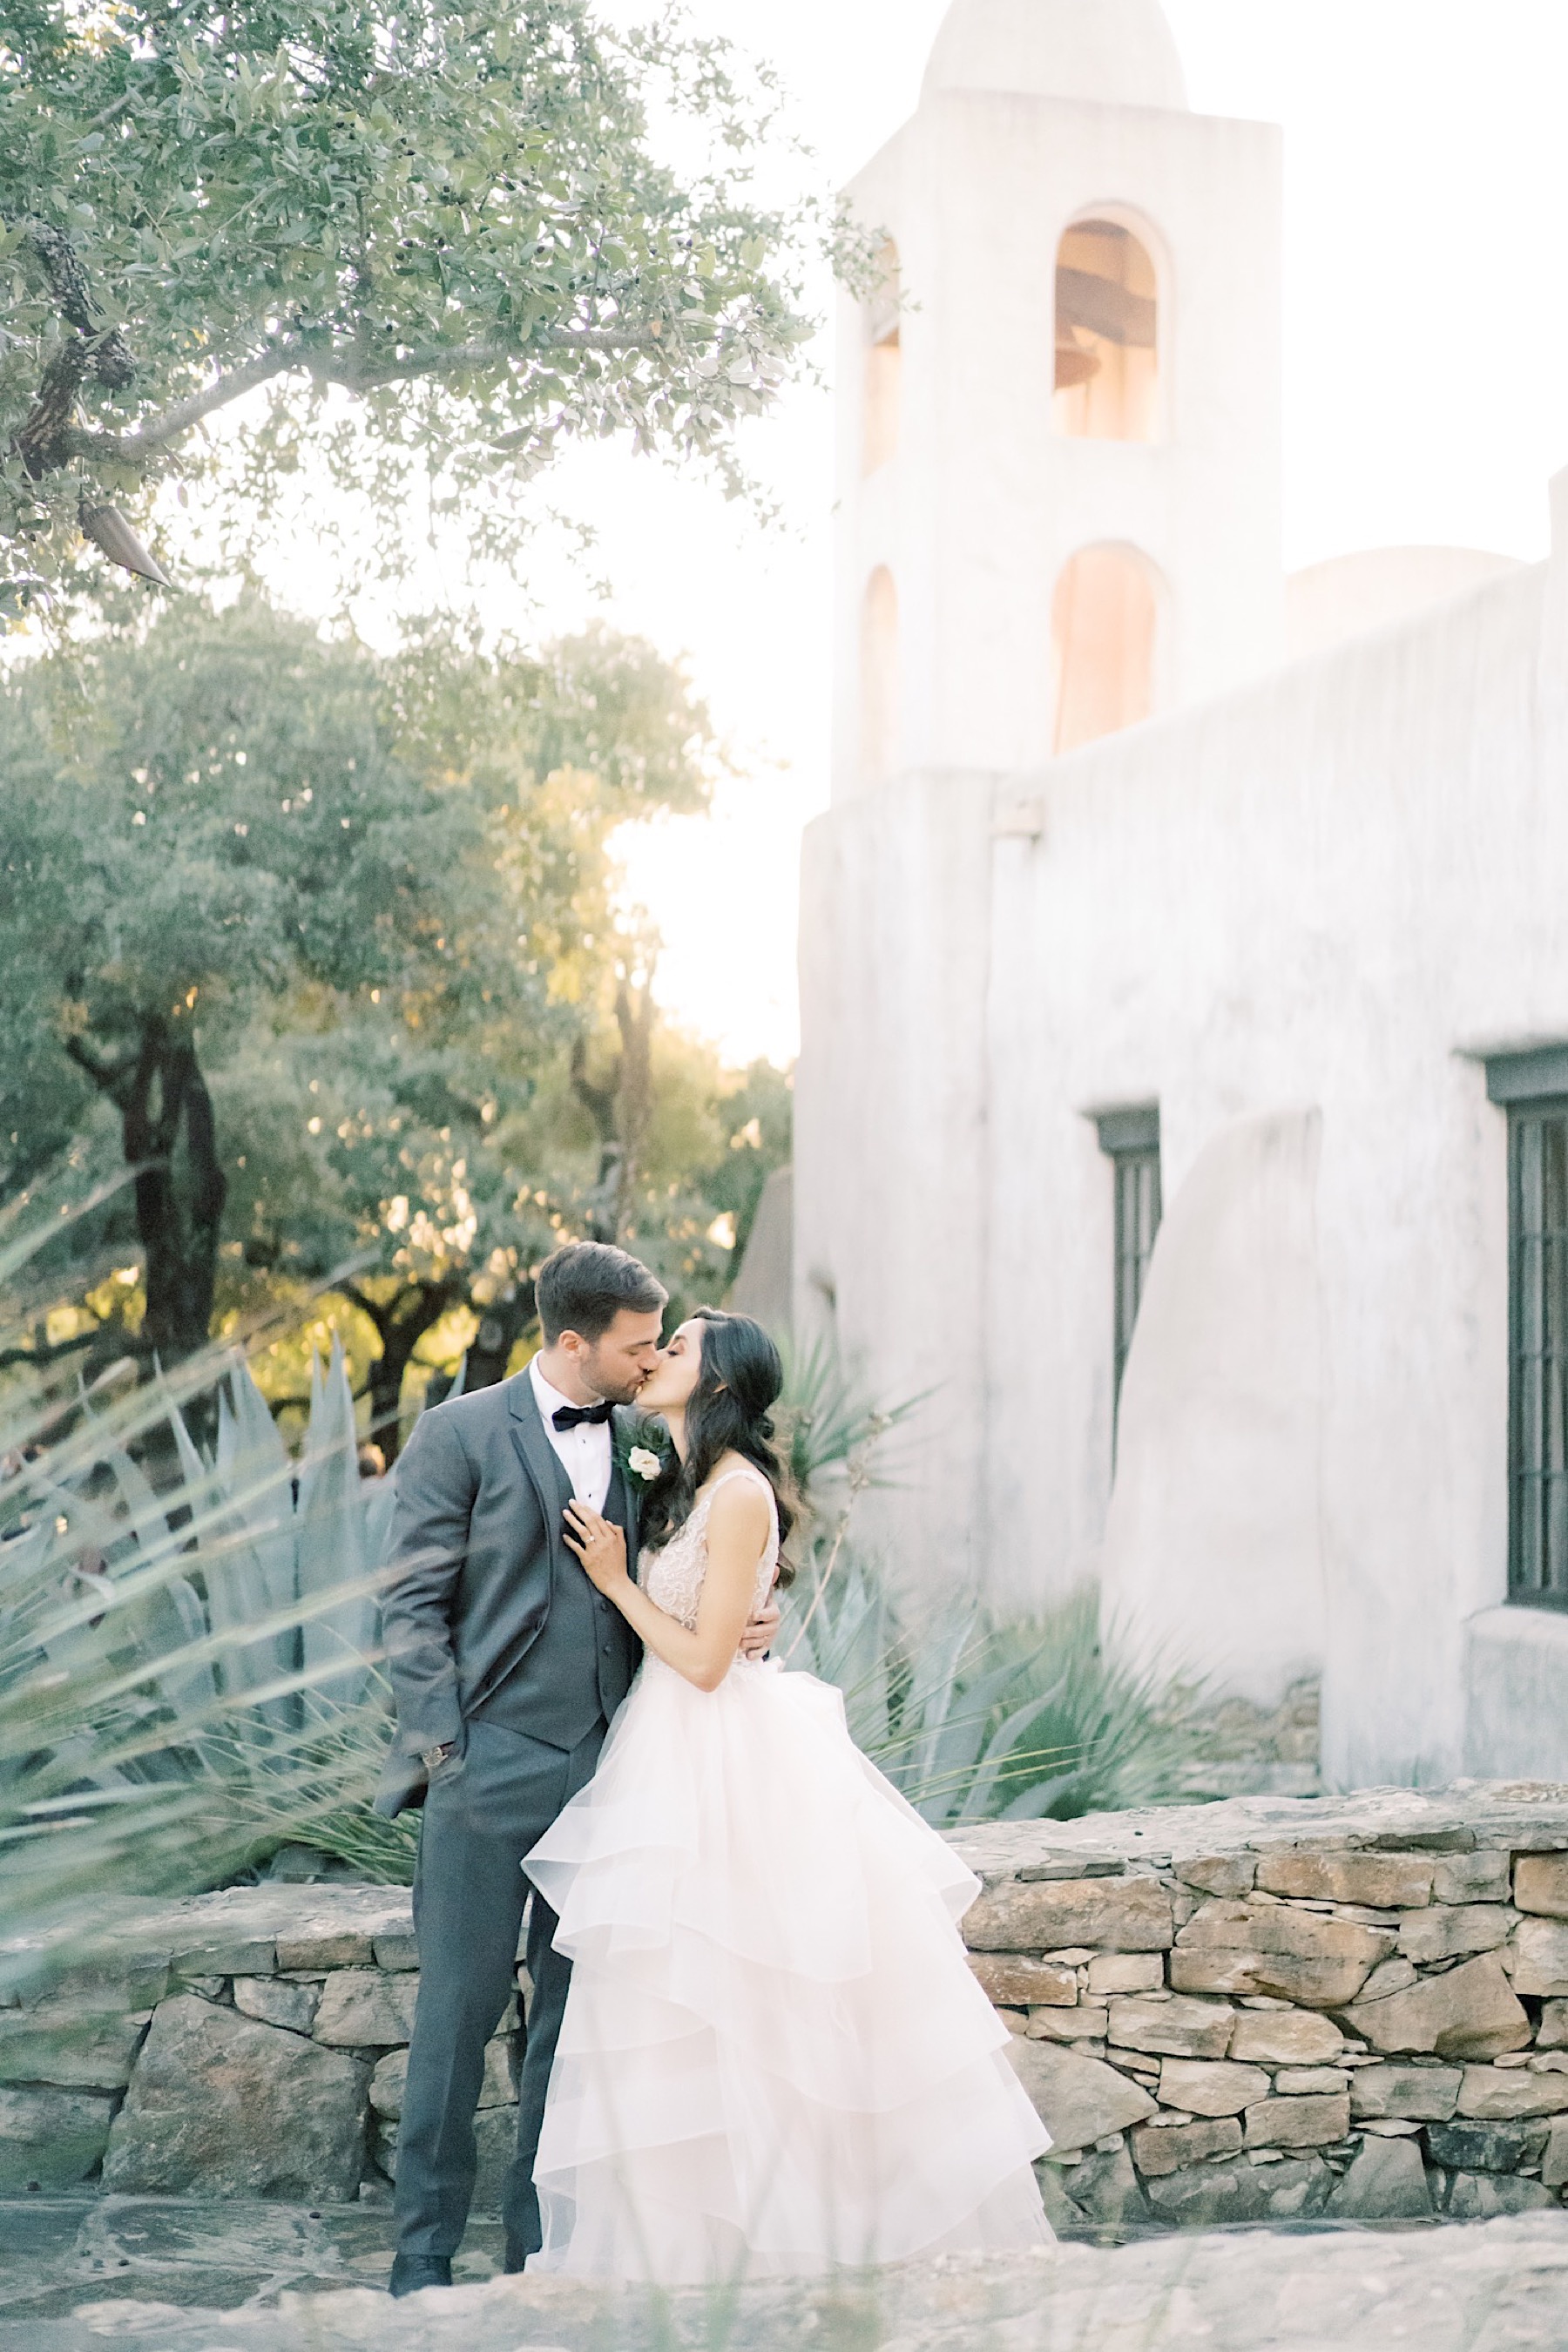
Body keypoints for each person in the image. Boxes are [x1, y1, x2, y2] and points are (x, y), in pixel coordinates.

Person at [523, 1308, 1051, 2281]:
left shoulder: (738, 1495)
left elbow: (709, 1665)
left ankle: (785, 2251)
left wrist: (615, 1583)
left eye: (676, 1347)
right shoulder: (682, 1481)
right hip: (668, 1751)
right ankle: (686, 2253)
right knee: (671, 2013)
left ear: (719, 1382)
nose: (657, 1358)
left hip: (720, 1757)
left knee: (742, 2004)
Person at [376, 1243, 782, 2298]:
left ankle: (538, 2254)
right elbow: (410, 1606)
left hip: (615, 1774)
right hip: (486, 1770)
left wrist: (755, 1625)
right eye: (637, 1345)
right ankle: (421, 2261)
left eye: (662, 1347)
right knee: (456, 2019)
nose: (651, 1363)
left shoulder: (658, 1449)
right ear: (572, 1341)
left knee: (573, 2028)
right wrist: (445, 1753)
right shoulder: (457, 1433)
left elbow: (701, 1579)